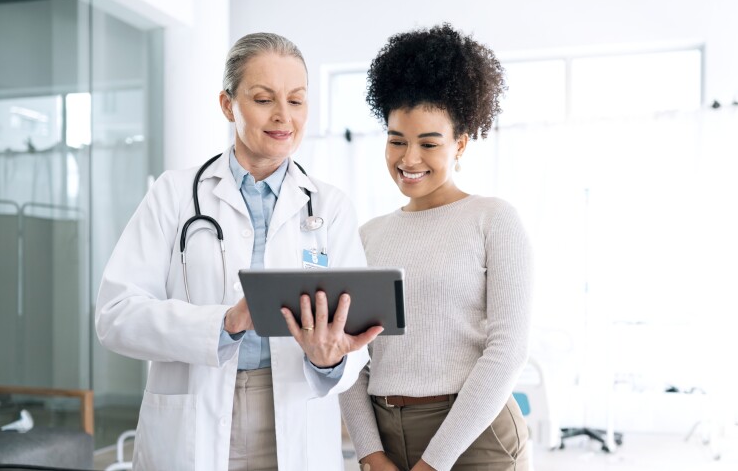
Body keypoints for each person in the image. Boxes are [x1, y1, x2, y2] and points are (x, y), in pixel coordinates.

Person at [95, 32, 382, 471]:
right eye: (264, 98)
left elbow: (353, 329)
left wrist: (330, 358)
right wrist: (224, 323)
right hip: (196, 414)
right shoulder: (174, 194)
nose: (283, 116)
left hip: (291, 411)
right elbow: (116, 315)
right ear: (228, 105)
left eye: (297, 100)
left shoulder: (329, 207)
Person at [339, 24, 533, 471]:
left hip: (475, 436)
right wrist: (368, 450)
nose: (409, 159)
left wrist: (435, 461)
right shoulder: (367, 235)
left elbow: (507, 352)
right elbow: (349, 350)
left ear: (460, 144)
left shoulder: (493, 219)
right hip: (385, 435)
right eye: (396, 140)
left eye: (429, 143)